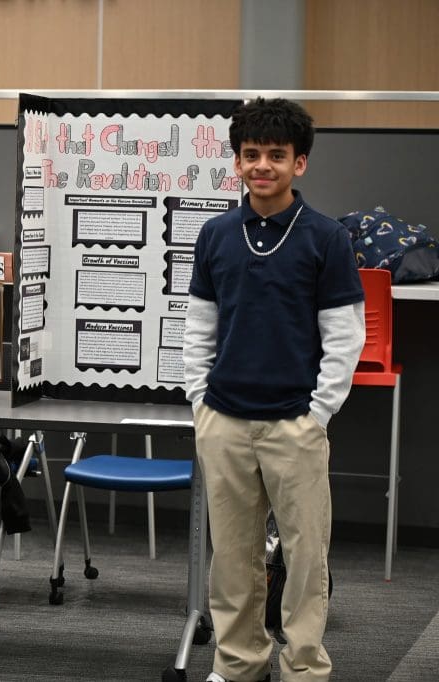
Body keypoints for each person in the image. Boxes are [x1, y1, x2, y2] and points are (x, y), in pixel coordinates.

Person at [184, 98, 365, 682]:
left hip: (295, 425)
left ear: (300, 164)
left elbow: (345, 338)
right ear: (236, 162)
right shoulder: (215, 236)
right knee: (232, 561)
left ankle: (304, 668)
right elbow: (198, 329)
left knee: (306, 558)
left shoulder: (327, 238)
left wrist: (317, 414)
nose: (263, 166)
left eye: (277, 156)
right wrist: (199, 402)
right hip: (226, 422)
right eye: (252, 155)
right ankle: (238, 665)